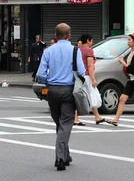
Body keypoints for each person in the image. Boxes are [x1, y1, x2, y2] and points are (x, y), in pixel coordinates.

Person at [37, 23, 85, 171]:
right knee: (65, 123)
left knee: (59, 122)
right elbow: (82, 72)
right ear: (69, 35)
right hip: (68, 90)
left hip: (52, 90)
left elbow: (40, 74)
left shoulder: (48, 51)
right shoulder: (75, 51)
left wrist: (48, 81)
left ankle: (66, 154)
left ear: (56, 35)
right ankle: (60, 158)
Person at [74, 34, 105, 126]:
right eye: (92, 40)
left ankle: (97, 116)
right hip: (87, 76)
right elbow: (90, 66)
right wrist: (93, 79)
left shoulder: (77, 50)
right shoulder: (89, 51)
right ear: (88, 40)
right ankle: (76, 118)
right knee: (90, 95)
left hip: (78, 76)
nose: (92, 42)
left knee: (82, 96)